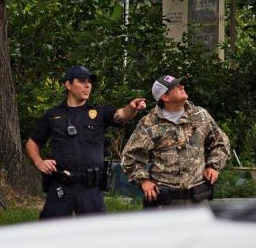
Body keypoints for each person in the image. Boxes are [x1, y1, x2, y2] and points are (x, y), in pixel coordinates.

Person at [26, 65, 146, 219]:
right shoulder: (54, 115)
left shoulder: (98, 112)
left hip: (90, 188)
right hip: (61, 185)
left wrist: (132, 107)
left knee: (96, 237)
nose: (88, 85)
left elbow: (120, 115)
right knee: (51, 236)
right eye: (82, 81)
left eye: (89, 82)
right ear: (68, 85)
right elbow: (32, 143)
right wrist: (39, 162)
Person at [121, 74, 230, 209]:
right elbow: (130, 156)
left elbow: (221, 142)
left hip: (198, 199)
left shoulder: (200, 116)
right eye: (176, 86)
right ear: (165, 96)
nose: (182, 86)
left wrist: (214, 166)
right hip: (165, 203)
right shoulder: (149, 123)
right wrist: (143, 180)